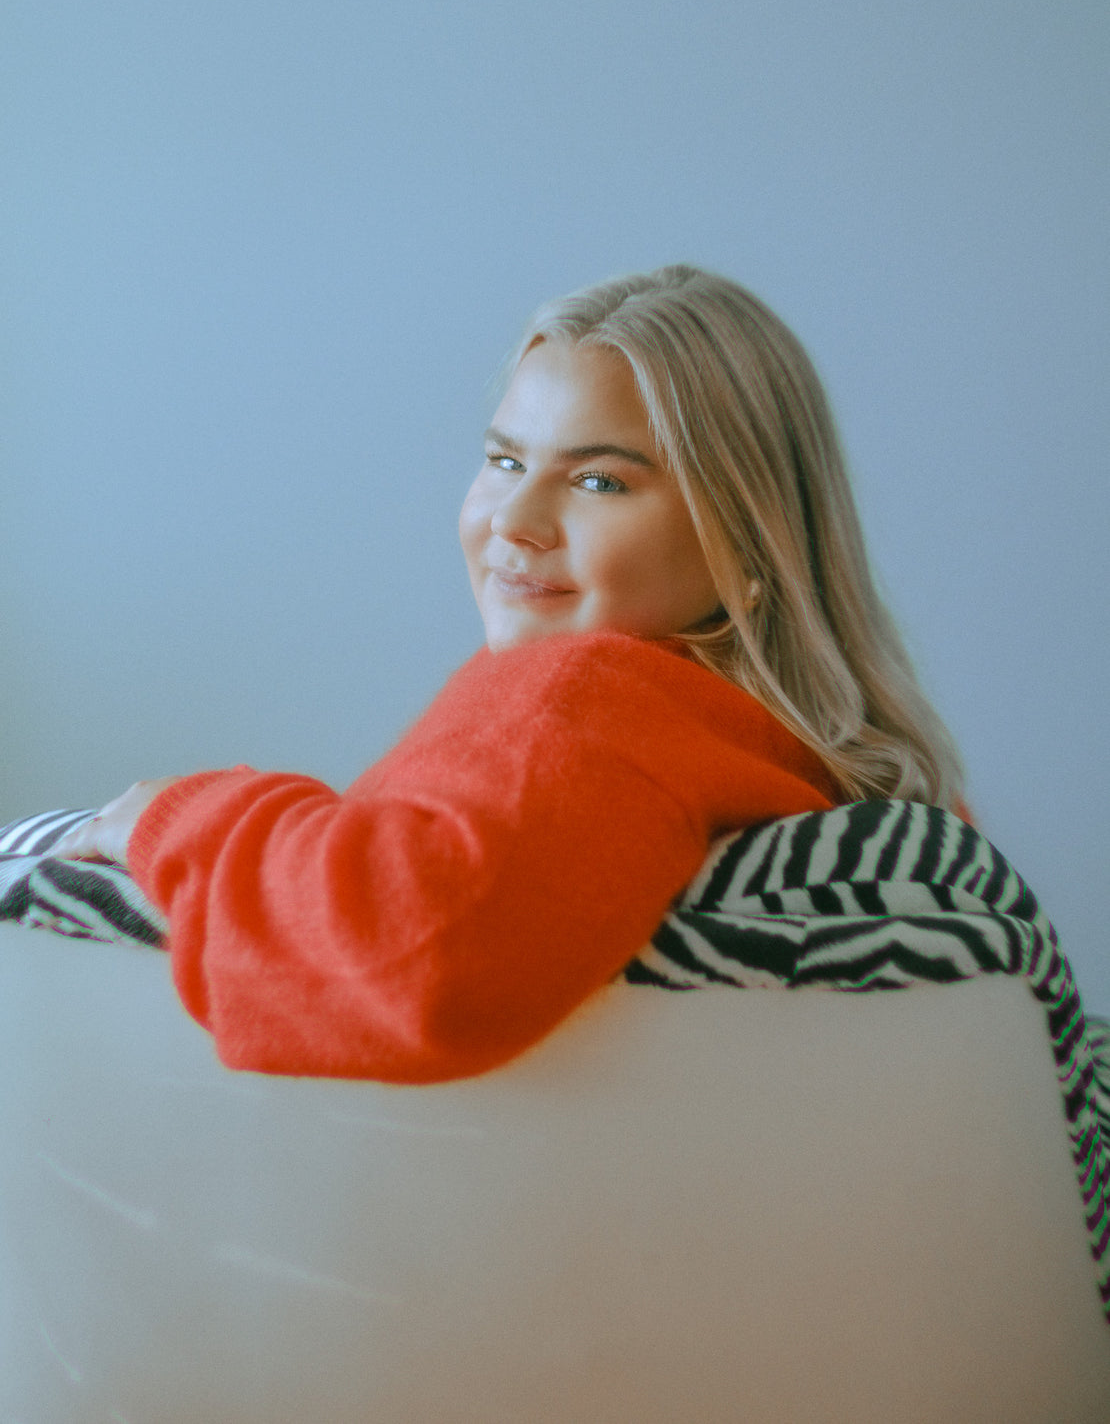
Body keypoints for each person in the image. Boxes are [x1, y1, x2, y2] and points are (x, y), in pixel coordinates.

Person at [52, 264, 964, 1082]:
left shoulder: (591, 695)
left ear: (747, 542)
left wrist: (178, 817)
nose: (514, 520)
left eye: (600, 481)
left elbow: (416, 957)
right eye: (504, 460)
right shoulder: (770, 749)